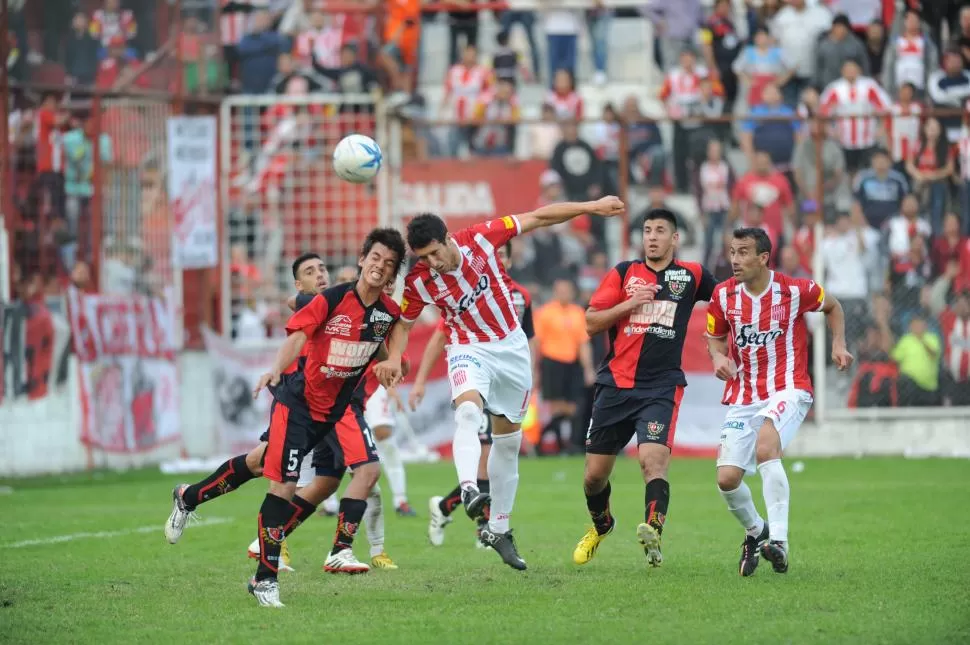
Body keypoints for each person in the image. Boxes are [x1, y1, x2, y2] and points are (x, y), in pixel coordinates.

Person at [374, 196, 625, 570]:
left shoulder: (481, 238)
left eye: (434, 254)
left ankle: (500, 529)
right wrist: (394, 358)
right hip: (467, 349)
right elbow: (405, 325)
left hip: (511, 348)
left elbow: (539, 216)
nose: (431, 263)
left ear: (448, 238)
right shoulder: (420, 282)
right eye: (422, 258)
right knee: (468, 413)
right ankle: (469, 488)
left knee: (508, 444)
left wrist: (591, 207)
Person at [176, 230, 403, 608]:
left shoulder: (387, 314)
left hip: (328, 415)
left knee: (261, 463)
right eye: (376, 257)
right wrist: (275, 370)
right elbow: (297, 338)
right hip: (295, 403)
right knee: (283, 485)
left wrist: (394, 362)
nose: (380, 266)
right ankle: (265, 579)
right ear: (363, 258)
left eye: (389, 263)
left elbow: (391, 338)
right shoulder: (330, 299)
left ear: (393, 275)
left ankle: (189, 496)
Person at [164, 253, 330, 572]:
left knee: (308, 472)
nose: (320, 274)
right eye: (310, 271)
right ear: (299, 282)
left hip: (327, 404)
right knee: (268, 467)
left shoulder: (340, 305)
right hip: (297, 399)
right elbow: (293, 300)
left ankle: (194, 499)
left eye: (322, 268)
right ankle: (193, 500)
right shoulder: (312, 303)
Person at [571, 209, 717, 568]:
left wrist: (719, 344)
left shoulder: (693, 275)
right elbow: (590, 322)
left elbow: (728, 301)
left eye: (660, 231)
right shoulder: (623, 273)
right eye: (647, 230)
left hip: (660, 387)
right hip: (615, 385)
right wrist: (630, 304)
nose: (651, 236)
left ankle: (652, 532)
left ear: (674, 238)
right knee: (594, 476)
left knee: (653, 462)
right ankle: (602, 525)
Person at [706, 228, 853, 577]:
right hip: (744, 395)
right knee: (727, 479)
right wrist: (717, 358)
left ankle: (781, 543)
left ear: (763, 258)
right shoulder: (723, 295)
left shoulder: (794, 289)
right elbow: (714, 336)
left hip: (788, 387)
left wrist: (838, 344)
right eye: (732, 252)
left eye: (743, 253)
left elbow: (833, 306)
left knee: (767, 443)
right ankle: (758, 531)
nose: (735, 260)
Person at [412, 241, 536, 548]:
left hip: (509, 375)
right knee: (481, 457)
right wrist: (421, 380)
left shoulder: (522, 296)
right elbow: (441, 335)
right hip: (479, 374)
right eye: (499, 256)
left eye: (507, 256)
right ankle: (485, 526)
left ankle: (444, 507)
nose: (502, 261)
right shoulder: (468, 294)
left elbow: (528, 338)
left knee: (500, 453)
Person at [534, 277, 595, 454]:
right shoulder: (545, 313)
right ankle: (559, 445)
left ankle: (550, 441)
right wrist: (534, 369)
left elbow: (583, 343)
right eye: (560, 290)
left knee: (575, 406)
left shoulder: (577, 313)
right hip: (551, 363)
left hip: (572, 364)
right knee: (556, 407)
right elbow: (537, 342)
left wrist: (588, 369)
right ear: (554, 292)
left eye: (567, 290)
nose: (564, 294)